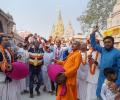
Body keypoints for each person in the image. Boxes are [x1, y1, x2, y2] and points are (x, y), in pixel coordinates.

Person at [90, 26, 120, 99]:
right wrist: (93, 33)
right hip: (101, 80)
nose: (107, 44)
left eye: (109, 42)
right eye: (105, 42)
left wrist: (117, 83)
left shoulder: (117, 53)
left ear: (113, 43)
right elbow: (93, 44)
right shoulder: (103, 50)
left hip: (111, 82)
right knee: (99, 95)